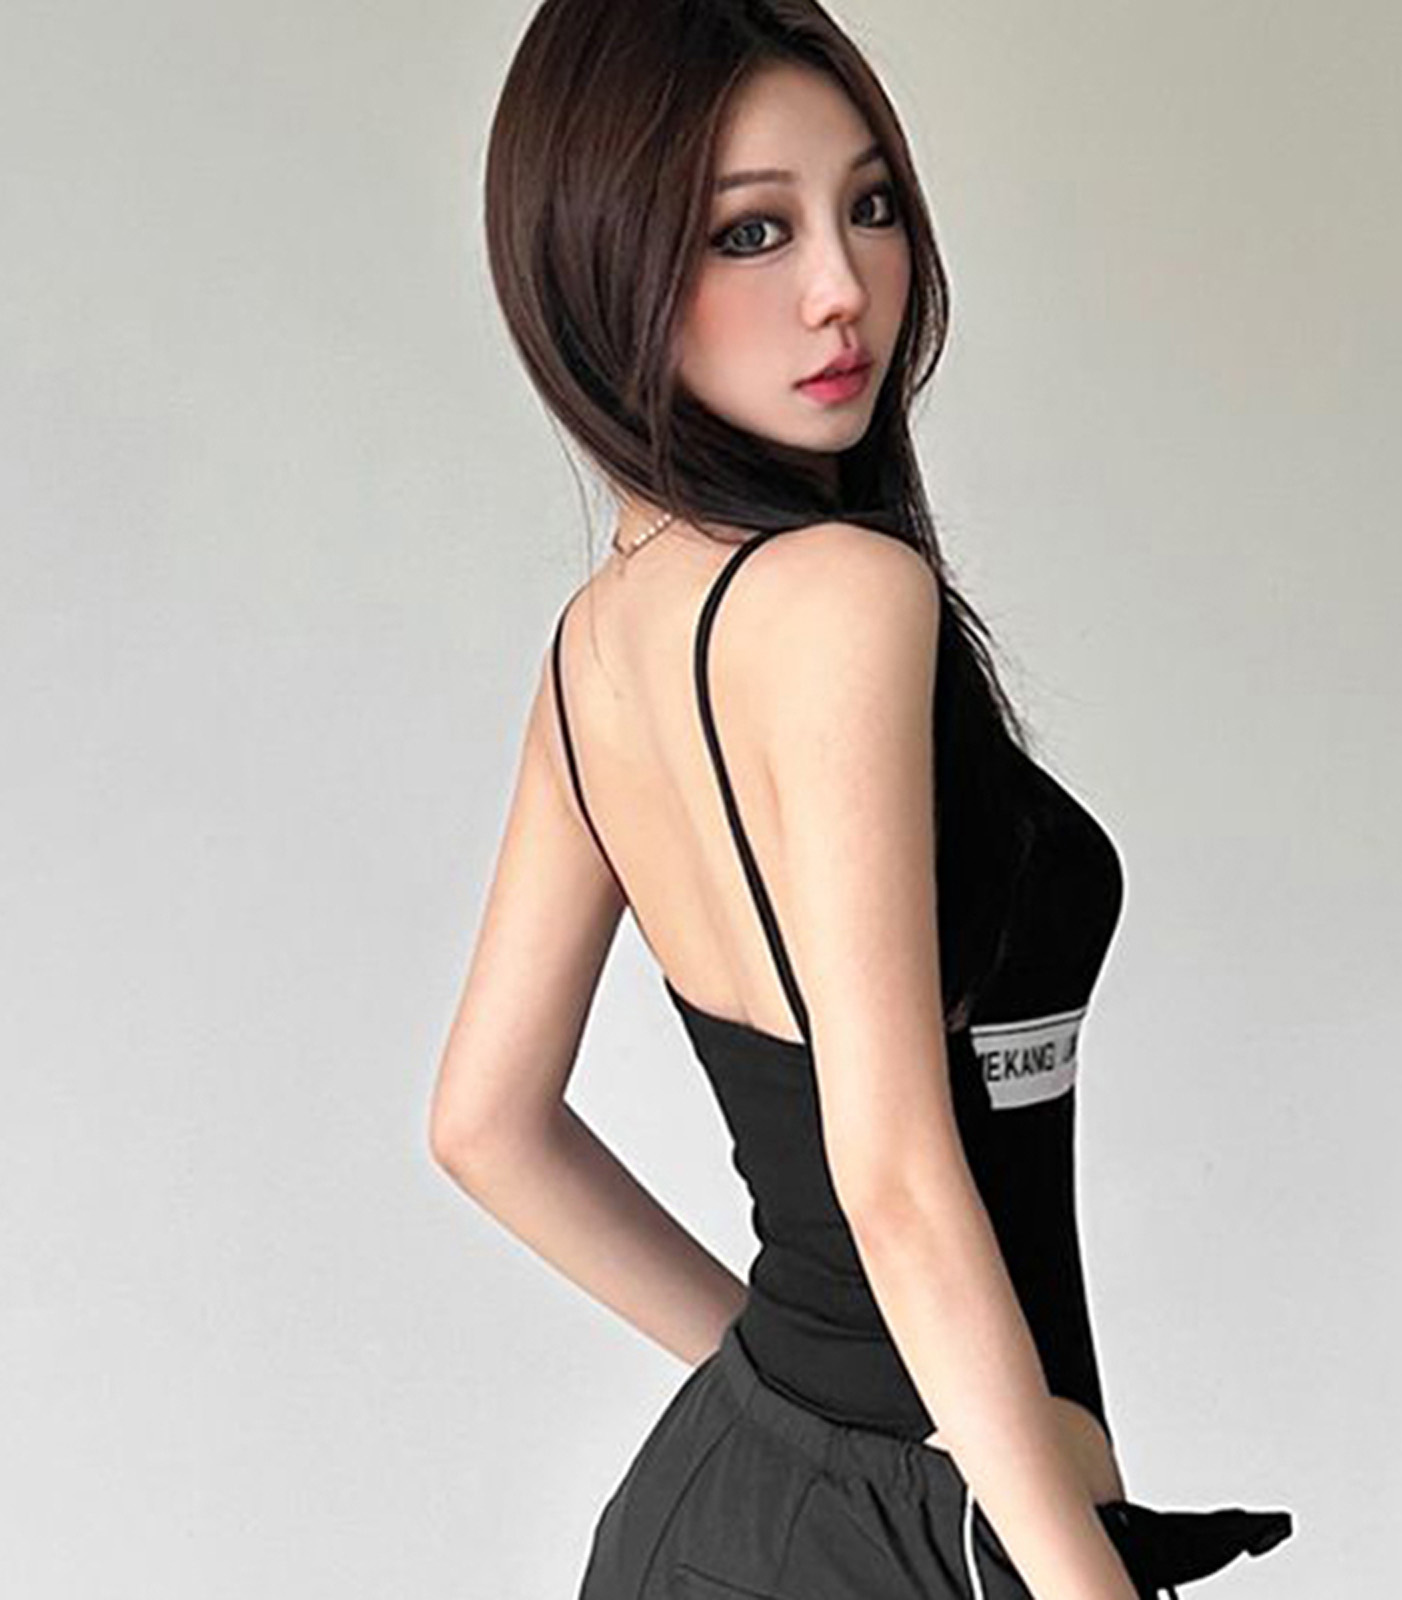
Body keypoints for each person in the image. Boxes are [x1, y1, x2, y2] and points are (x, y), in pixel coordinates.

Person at [430, 3, 1294, 1596]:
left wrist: (802, 1407)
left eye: (871, 203)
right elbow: (890, 1174)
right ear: (602, 262)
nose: (842, 287)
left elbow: (486, 1124)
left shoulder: (596, 646)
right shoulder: (843, 598)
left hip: (731, 1518)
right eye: (750, 231)